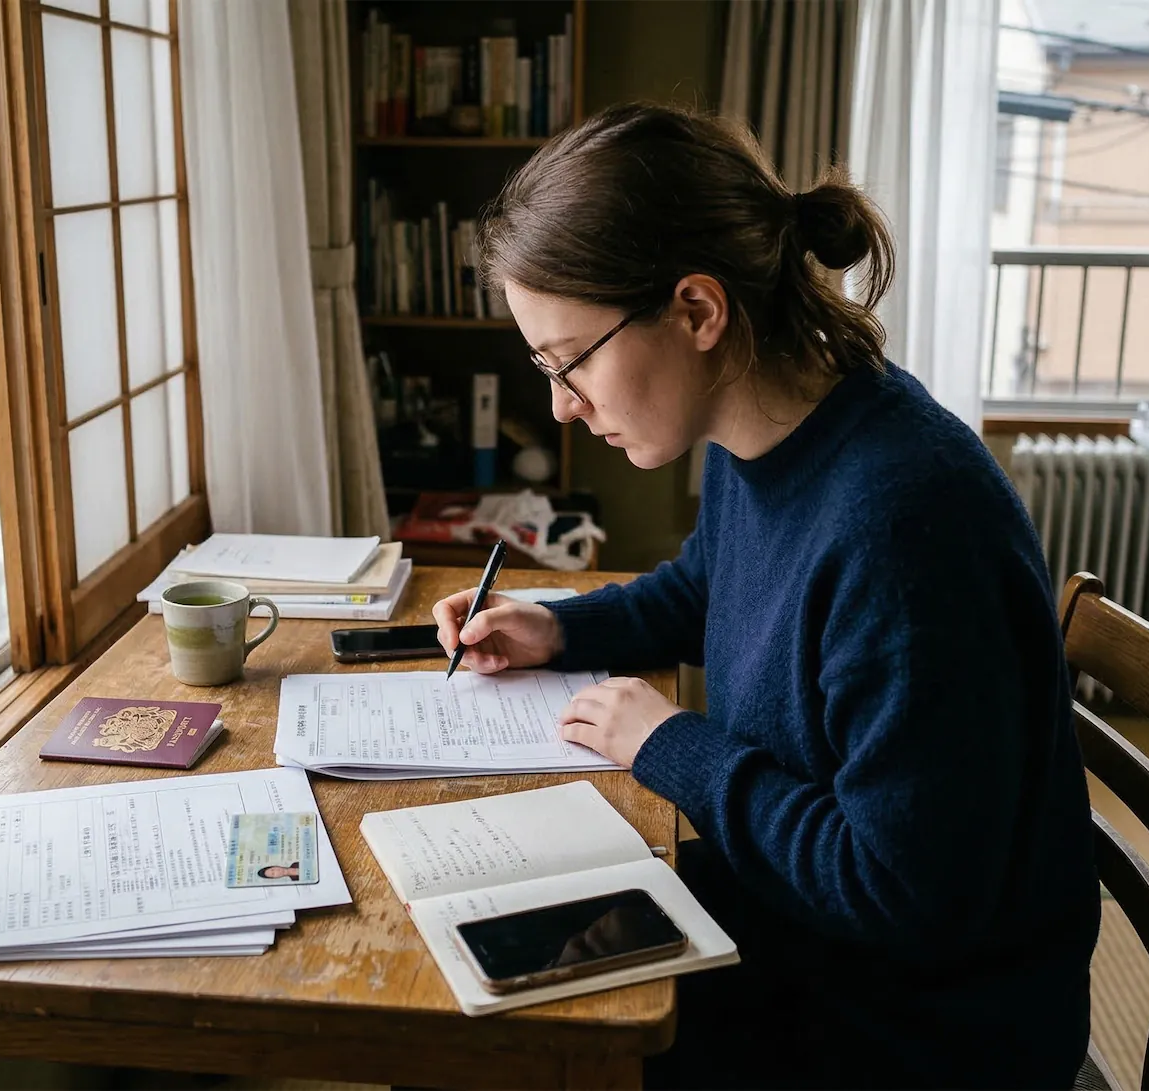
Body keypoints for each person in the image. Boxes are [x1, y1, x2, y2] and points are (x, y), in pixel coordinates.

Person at [431, 103, 1098, 1089]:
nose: (561, 405)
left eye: (571, 362)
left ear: (697, 311)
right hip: (804, 922)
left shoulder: (904, 524)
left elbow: (901, 892)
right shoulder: (772, 428)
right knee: (462, 961)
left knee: (478, 1046)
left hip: (914, 1025)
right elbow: (710, 584)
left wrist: (670, 744)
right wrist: (559, 627)